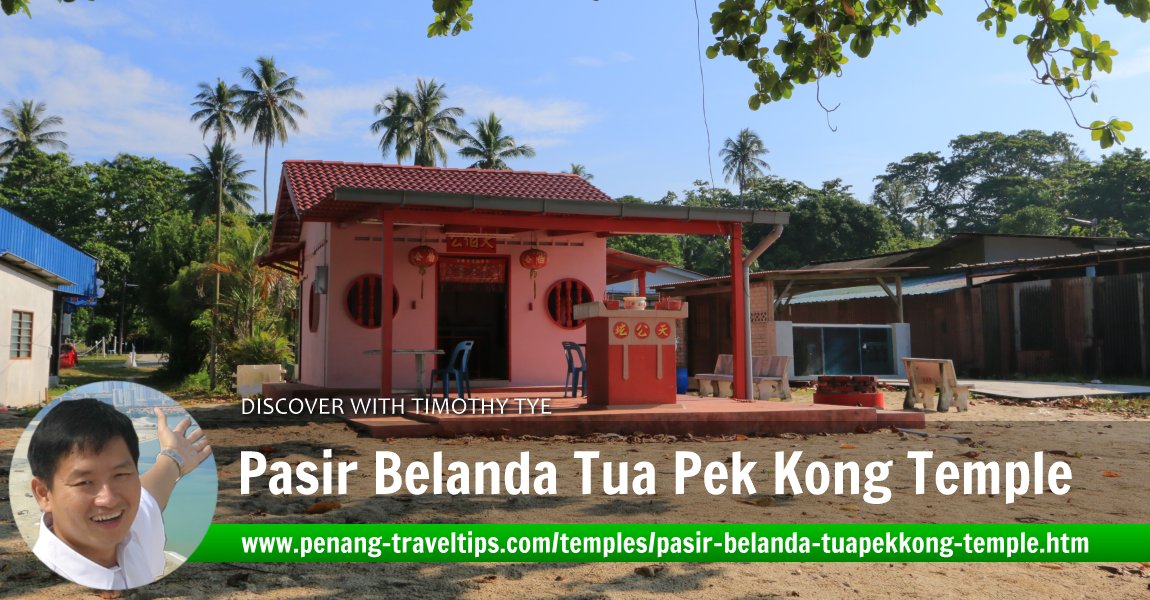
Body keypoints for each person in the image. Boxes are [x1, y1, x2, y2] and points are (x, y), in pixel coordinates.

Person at [28, 398, 211, 590]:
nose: (109, 499)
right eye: (85, 482)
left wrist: (174, 456)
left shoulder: (130, 527)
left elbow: (152, 492)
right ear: (43, 494)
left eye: (120, 474)